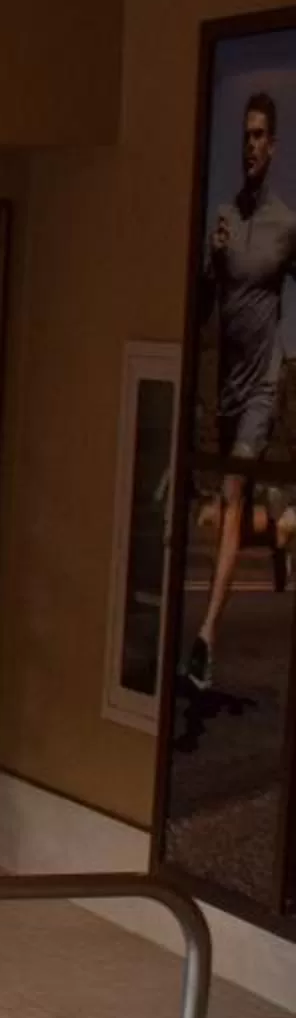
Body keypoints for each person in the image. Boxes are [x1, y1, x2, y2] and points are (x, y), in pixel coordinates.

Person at [185, 90, 296, 690]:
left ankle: (205, 638)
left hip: (261, 385)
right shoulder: (225, 218)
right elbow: (202, 309)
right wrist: (212, 259)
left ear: (273, 147)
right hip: (225, 388)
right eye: (246, 135)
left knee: (230, 492)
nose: (251, 145)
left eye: (260, 136)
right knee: (223, 508)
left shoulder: (287, 226)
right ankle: (277, 529)